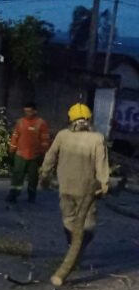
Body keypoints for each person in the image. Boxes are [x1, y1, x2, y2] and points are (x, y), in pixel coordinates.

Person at [40, 103, 110, 253]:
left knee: (69, 219)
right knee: (88, 223)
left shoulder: (62, 135)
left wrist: (44, 175)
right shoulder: (97, 139)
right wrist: (104, 186)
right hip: (87, 189)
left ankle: (71, 247)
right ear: (89, 119)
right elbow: (101, 164)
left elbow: (50, 157)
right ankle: (78, 250)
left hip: (65, 186)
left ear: (70, 119)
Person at [5, 102, 51, 204]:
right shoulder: (20, 122)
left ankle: (32, 195)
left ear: (35, 111)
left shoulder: (41, 123)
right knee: (17, 175)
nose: (27, 113)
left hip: (34, 156)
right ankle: (13, 194)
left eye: (29, 111)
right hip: (20, 154)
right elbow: (15, 137)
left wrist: (43, 154)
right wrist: (11, 151)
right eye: (25, 111)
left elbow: (45, 140)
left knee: (33, 177)